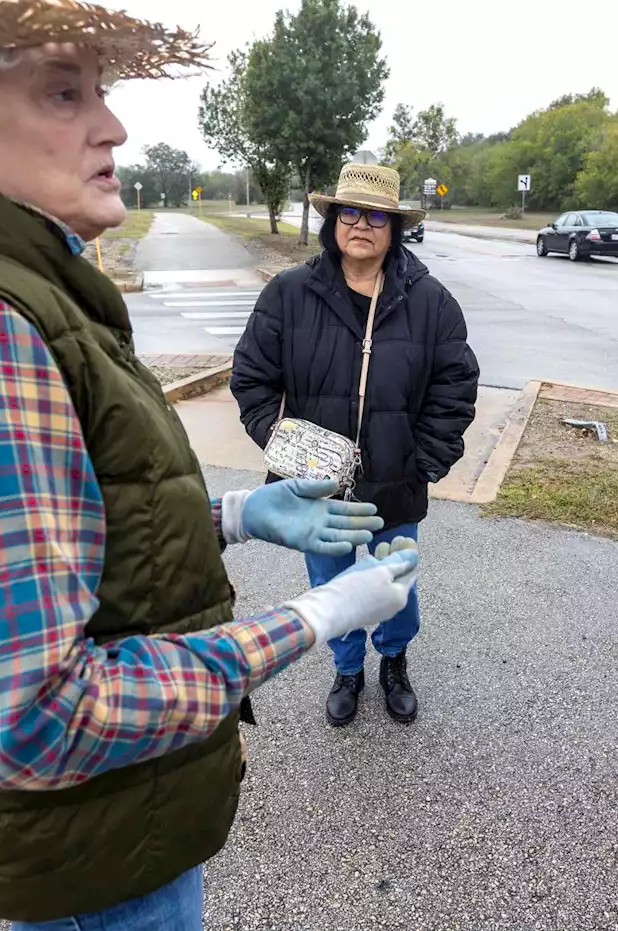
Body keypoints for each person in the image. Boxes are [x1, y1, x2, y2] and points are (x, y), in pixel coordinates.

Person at [0, 3, 421, 929]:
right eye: (65, 92)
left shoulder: (3, 282)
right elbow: (38, 716)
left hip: (99, 835)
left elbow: (51, 525)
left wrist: (236, 516)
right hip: (90, 861)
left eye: (99, 90)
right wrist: (315, 616)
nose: (114, 124)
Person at [231, 164, 479, 727]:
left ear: (393, 228)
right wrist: (287, 445)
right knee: (329, 583)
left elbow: (456, 386)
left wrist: (425, 460)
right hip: (316, 489)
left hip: (397, 478)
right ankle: (347, 668)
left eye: (376, 215)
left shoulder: (431, 302)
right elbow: (251, 377)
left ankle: (394, 659)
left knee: (396, 580)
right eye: (350, 212)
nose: (361, 224)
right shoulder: (289, 294)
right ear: (333, 221)